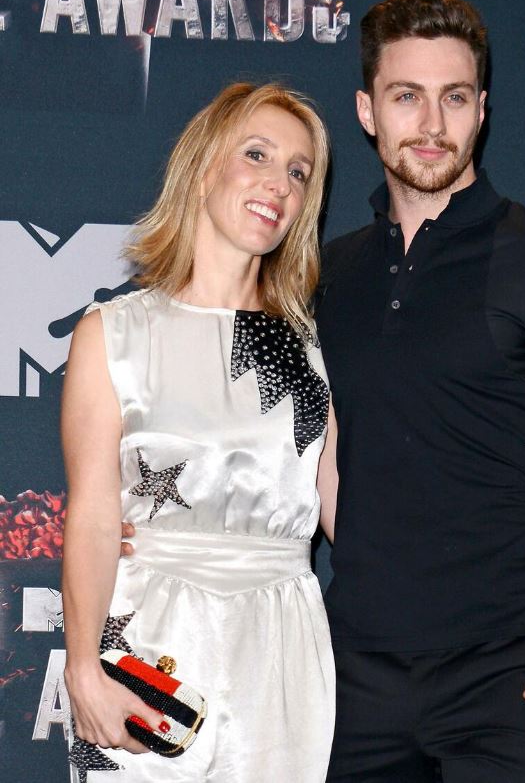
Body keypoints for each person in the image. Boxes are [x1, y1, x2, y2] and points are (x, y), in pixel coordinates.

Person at [313, 0, 525, 782]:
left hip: (512, 672)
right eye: (407, 96)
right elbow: (320, 455)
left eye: (454, 97)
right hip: (353, 674)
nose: (431, 124)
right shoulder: (329, 274)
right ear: (367, 111)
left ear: (482, 109)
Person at [61, 82, 336, 782]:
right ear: (203, 167)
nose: (279, 184)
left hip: (279, 652)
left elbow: (357, 518)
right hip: (148, 647)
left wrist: (492, 509)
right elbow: (92, 517)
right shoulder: (114, 334)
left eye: (298, 172)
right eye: (257, 155)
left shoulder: (313, 351)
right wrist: (83, 670)